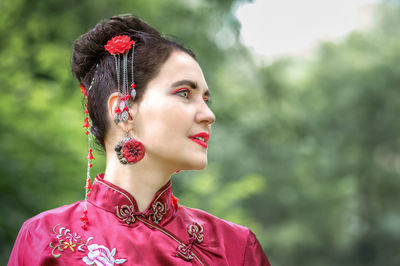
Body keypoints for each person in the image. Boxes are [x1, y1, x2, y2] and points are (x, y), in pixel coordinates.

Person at [8, 15, 270, 265]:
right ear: (124, 110)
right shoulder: (44, 238)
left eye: (205, 99)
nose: (208, 115)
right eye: (184, 93)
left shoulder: (234, 246)